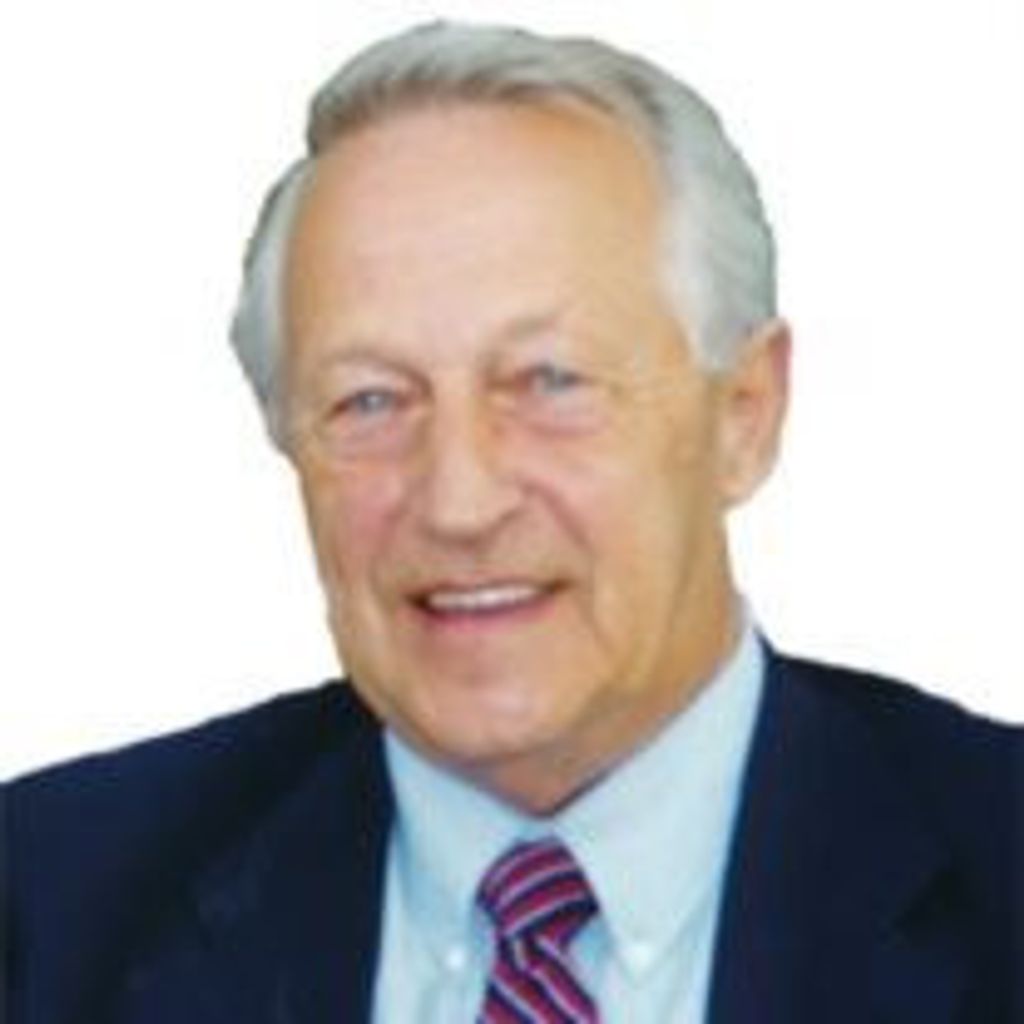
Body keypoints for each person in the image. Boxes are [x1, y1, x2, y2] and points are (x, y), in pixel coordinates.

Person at [2, 20, 1019, 1024]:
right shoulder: (46, 908)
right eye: (369, 400)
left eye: (549, 381)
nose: (460, 502)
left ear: (744, 415)